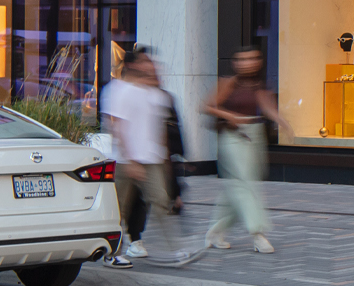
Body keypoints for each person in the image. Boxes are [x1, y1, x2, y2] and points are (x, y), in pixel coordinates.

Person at [101, 48, 199, 269]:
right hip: (125, 162)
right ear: (133, 65)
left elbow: (160, 131)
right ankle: (112, 254)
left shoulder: (154, 94)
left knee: (162, 202)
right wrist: (131, 160)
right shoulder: (118, 90)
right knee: (119, 209)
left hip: (152, 159)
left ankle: (176, 251)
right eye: (145, 61)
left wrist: (165, 162)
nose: (150, 65)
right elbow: (116, 127)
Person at [204, 46, 289, 252]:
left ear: (258, 62)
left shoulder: (258, 84)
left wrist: (279, 119)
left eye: (251, 58)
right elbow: (206, 106)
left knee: (238, 186)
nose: (247, 63)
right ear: (235, 63)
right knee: (246, 185)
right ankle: (258, 233)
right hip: (233, 136)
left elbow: (266, 106)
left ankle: (215, 232)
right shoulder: (228, 82)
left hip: (255, 135)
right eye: (241, 59)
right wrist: (229, 115)